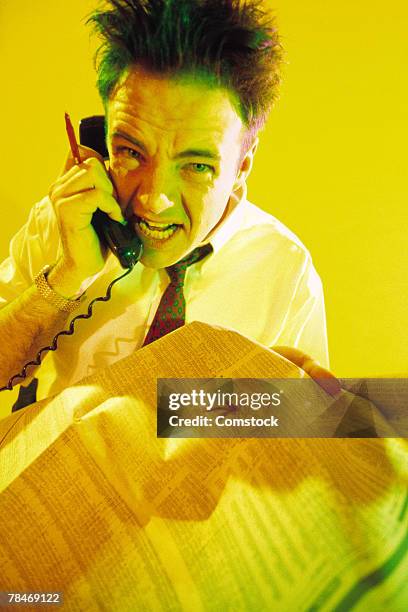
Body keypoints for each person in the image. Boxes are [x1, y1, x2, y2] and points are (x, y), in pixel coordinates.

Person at [0, 0, 332, 407]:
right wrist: (67, 276)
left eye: (195, 165)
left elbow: (301, 433)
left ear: (242, 165)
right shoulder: (66, 219)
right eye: (131, 152)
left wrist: (258, 408)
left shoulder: (286, 270)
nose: (154, 201)